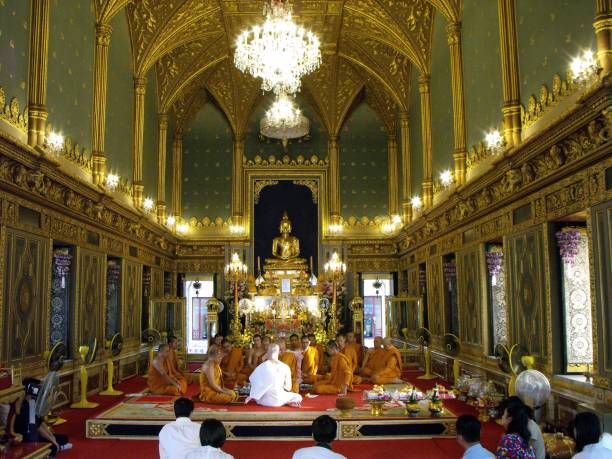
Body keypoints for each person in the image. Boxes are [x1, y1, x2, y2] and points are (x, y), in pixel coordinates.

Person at [14, 378, 73, 457]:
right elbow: (38, 429)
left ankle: (57, 446)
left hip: (35, 433)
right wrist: (54, 442)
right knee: (53, 447)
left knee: (64, 438)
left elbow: (41, 423)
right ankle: (57, 448)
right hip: (28, 439)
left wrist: (52, 437)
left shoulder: (32, 403)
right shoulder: (26, 407)